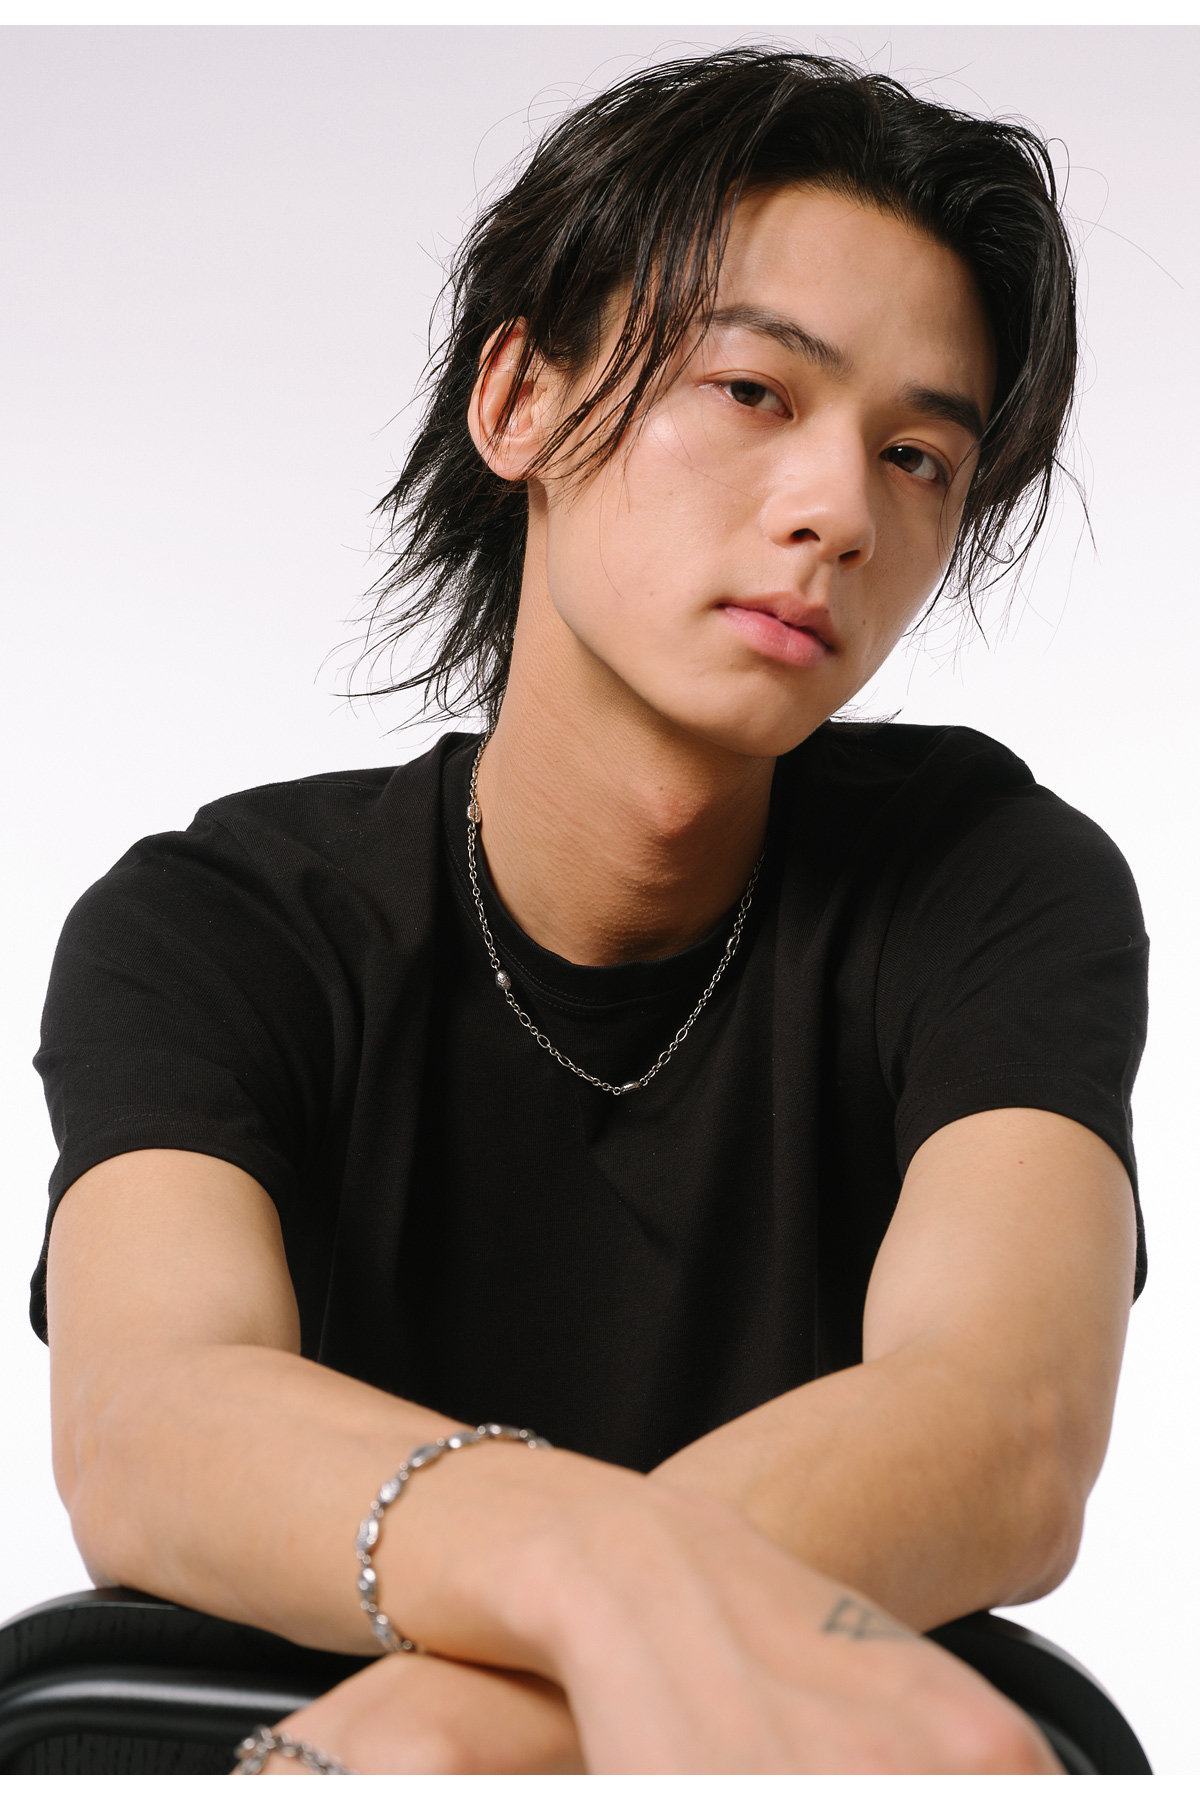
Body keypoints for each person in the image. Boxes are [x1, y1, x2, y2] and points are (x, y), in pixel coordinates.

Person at [31, 47, 1148, 1775]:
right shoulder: (219, 923)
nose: (838, 512)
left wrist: (440, 1731)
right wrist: (599, 1596)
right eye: (754, 390)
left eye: (919, 457)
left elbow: (1004, 1427)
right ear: (520, 403)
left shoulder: (990, 883)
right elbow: (153, 1422)